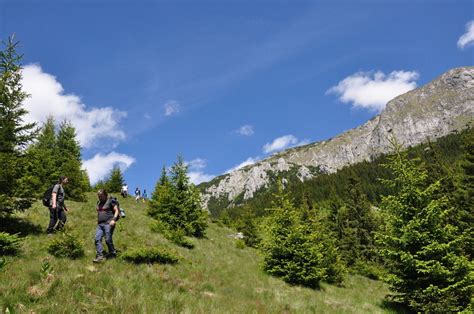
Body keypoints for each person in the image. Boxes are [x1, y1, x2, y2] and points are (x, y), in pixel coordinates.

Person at [93, 189, 120, 263]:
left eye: (101, 196)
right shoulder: (98, 203)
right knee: (97, 239)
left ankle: (112, 252)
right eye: (98, 196)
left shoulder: (110, 201)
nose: (99, 197)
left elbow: (116, 210)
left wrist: (114, 220)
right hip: (100, 224)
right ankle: (99, 256)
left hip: (109, 223)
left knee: (107, 239)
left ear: (105, 195)